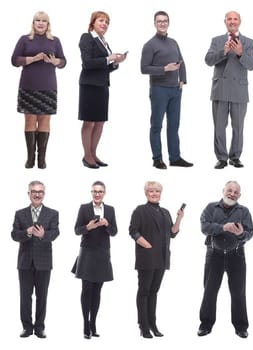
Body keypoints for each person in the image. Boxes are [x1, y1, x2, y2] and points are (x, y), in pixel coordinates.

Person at [197, 181, 253, 338]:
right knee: (209, 290)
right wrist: (223, 227)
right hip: (214, 254)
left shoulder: (244, 211)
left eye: (236, 192)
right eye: (229, 190)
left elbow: (250, 232)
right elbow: (204, 227)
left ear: (239, 195)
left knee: (238, 292)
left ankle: (241, 326)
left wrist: (241, 234)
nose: (232, 194)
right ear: (223, 191)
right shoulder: (210, 207)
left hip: (237, 255)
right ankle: (206, 324)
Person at [11, 11, 66, 169]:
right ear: (33, 23)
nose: (40, 23)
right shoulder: (25, 39)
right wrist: (33, 59)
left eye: (43, 21)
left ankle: (42, 159)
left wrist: (55, 61)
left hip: (48, 86)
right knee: (29, 120)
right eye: (37, 20)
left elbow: (63, 62)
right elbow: (14, 60)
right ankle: (30, 158)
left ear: (48, 24)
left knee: (44, 121)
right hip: (28, 86)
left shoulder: (55, 41)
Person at [129, 181, 184, 338]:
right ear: (146, 193)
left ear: (161, 193)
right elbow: (133, 231)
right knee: (144, 291)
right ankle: (143, 326)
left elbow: (172, 233)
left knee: (154, 292)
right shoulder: (140, 210)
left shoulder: (165, 212)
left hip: (162, 258)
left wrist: (179, 218)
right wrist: (145, 244)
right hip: (146, 257)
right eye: (151, 191)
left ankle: (153, 324)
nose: (154, 194)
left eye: (157, 191)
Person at [141, 10, 193, 169]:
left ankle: (175, 158)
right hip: (159, 89)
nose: (162, 23)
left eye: (165, 21)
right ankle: (157, 159)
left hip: (175, 90)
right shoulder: (150, 45)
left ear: (168, 23)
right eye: (159, 21)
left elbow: (181, 61)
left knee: (174, 125)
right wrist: (164, 68)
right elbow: (144, 69)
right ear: (154, 24)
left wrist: (183, 79)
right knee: (156, 125)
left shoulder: (173, 42)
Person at [205, 11, 253, 169]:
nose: (232, 21)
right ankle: (221, 158)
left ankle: (235, 156)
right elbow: (208, 60)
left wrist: (240, 53)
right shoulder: (217, 40)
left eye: (235, 19)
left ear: (240, 21)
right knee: (219, 125)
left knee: (238, 126)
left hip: (239, 90)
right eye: (229, 19)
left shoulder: (249, 42)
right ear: (225, 21)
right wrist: (223, 52)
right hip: (220, 88)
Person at [11, 180, 60, 338]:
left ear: (44, 194)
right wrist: (27, 232)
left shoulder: (52, 213)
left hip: (44, 262)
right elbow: (14, 235)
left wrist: (43, 235)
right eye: (34, 191)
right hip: (25, 262)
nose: (37, 194)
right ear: (29, 194)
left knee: (42, 296)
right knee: (25, 296)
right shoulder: (20, 213)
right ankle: (27, 327)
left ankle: (39, 328)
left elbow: (55, 233)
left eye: (40, 191)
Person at [78, 11, 127, 169]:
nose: (104, 24)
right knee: (89, 121)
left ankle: (93, 153)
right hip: (90, 85)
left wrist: (116, 63)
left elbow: (104, 67)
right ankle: (87, 156)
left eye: (107, 22)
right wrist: (108, 58)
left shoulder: (103, 41)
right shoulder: (87, 37)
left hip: (102, 85)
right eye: (101, 20)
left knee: (100, 122)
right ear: (93, 22)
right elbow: (87, 63)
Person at [71, 181, 117, 339]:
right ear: (91, 193)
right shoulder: (84, 208)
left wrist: (107, 224)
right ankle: (85, 324)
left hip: (103, 253)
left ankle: (93, 323)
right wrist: (88, 227)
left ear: (104, 193)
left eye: (100, 192)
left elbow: (115, 232)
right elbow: (77, 230)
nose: (97, 194)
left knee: (97, 290)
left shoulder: (110, 210)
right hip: (87, 253)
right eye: (94, 191)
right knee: (86, 290)